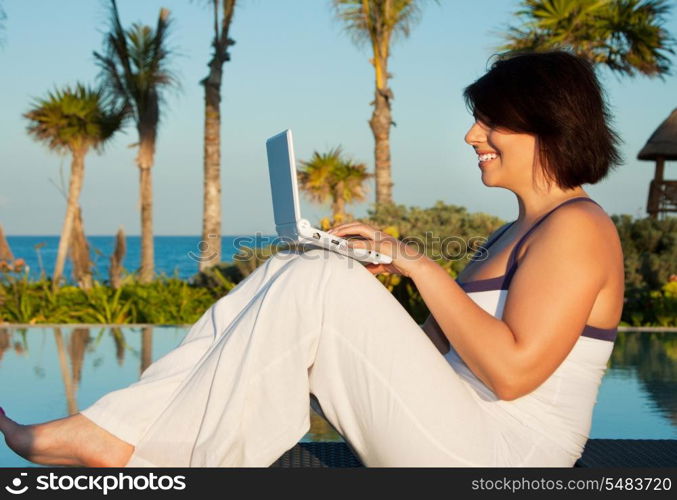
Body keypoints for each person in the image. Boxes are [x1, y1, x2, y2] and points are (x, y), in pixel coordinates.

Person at [0, 50, 624, 467]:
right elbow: (438, 356)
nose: (472, 137)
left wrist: (417, 265)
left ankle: (141, 450)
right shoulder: (514, 231)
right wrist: (356, 294)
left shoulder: (578, 229)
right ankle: (122, 432)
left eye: (491, 122)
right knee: (298, 272)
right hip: (458, 427)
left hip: (509, 457)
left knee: (320, 284)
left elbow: (513, 374)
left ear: (547, 125)